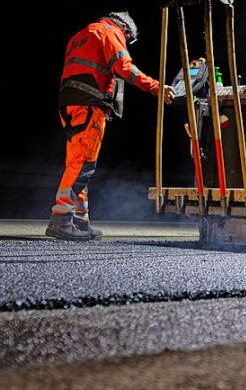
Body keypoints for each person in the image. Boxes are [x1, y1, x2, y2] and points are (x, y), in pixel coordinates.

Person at [49, 12, 173, 241]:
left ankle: (79, 219)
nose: (126, 42)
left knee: (77, 163)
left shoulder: (81, 35)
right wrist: (157, 87)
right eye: (129, 39)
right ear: (125, 29)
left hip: (69, 104)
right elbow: (125, 68)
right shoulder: (110, 32)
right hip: (89, 105)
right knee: (82, 165)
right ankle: (61, 218)